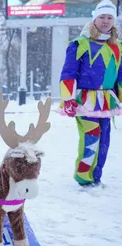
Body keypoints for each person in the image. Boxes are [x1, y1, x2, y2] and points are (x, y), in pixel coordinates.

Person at [57, 0, 122, 187]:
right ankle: (84, 178)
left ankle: (96, 176)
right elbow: (68, 72)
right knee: (91, 136)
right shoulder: (79, 44)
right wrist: (68, 99)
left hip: (107, 100)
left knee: (104, 140)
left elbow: (120, 76)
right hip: (85, 100)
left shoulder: (117, 47)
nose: (106, 21)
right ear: (95, 18)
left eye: (110, 17)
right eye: (102, 16)